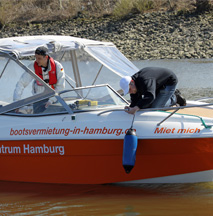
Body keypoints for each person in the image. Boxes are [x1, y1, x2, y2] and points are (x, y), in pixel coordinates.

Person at [13, 46, 65, 113]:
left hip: (54, 100)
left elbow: (61, 86)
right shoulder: (33, 66)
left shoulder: (58, 67)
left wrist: (51, 101)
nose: (36, 60)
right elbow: (21, 83)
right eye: (36, 58)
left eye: (39, 58)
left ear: (46, 57)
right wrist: (16, 102)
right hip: (38, 100)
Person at [120, 67, 186, 114]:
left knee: (155, 107)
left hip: (168, 82)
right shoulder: (133, 85)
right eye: (128, 91)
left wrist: (136, 108)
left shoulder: (145, 80)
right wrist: (131, 107)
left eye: (129, 89)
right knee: (146, 105)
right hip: (156, 84)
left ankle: (175, 98)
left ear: (132, 82)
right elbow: (135, 99)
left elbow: (150, 97)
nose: (130, 92)